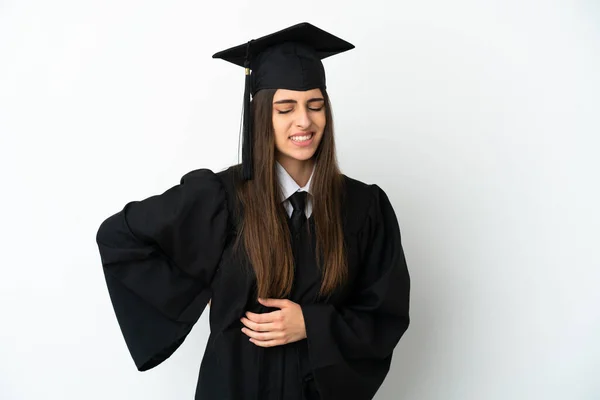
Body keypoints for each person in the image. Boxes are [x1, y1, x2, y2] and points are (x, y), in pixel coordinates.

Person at [96, 22, 411, 400]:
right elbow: (120, 236)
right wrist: (198, 291)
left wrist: (311, 324)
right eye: (285, 108)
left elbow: (384, 315)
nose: (304, 121)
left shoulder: (363, 208)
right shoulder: (220, 199)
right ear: (262, 115)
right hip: (232, 388)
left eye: (315, 105)